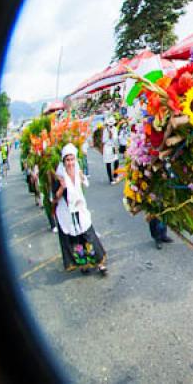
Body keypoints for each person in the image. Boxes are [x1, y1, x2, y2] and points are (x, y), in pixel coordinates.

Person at [53, 143, 107, 274]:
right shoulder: (59, 176)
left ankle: (99, 263)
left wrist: (82, 178)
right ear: (63, 161)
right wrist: (61, 187)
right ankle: (84, 264)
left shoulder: (78, 171)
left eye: (72, 159)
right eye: (67, 160)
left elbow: (84, 185)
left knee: (89, 236)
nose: (70, 163)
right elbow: (54, 198)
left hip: (80, 210)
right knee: (76, 241)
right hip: (67, 213)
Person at [102, 117, 119, 184]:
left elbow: (115, 138)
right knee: (108, 163)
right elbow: (103, 140)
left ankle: (115, 175)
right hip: (107, 147)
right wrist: (108, 137)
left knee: (116, 161)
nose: (111, 125)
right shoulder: (105, 130)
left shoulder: (115, 129)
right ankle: (110, 179)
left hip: (113, 147)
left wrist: (112, 136)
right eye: (109, 124)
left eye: (112, 124)